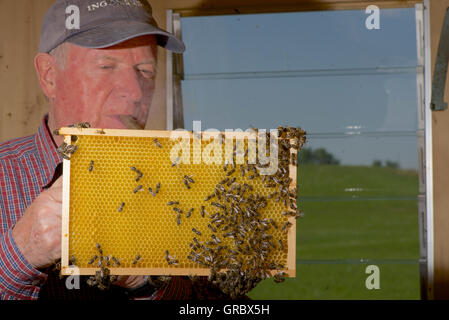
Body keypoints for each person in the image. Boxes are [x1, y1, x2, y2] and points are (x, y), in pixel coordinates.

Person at [0, 0, 226, 300]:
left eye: (145, 70)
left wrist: (148, 283)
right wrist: (20, 256)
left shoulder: (189, 186)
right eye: (107, 66)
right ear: (49, 76)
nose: (134, 92)